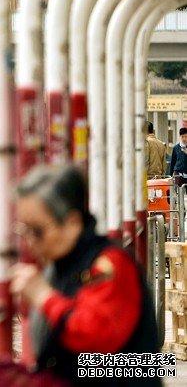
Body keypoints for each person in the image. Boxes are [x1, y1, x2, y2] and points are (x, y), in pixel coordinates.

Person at [9, 165, 161, 386]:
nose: (30, 241)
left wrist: (44, 297)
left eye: (38, 231)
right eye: (25, 230)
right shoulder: (60, 265)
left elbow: (93, 336)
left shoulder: (110, 263)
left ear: (72, 223)